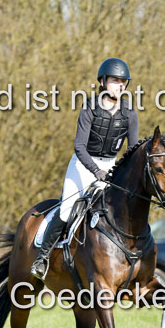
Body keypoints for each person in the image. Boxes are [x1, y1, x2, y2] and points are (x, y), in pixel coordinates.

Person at [31, 57, 139, 279]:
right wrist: (95, 171)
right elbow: (79, 146)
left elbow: (133, 150)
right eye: (115, 80)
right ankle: (42, 258)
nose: (120, 85)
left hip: (110, 166)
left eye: (123, 81)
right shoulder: (90, 108)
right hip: (82, 164)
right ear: (102, 82)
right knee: (67, 209)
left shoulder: (129, 113)